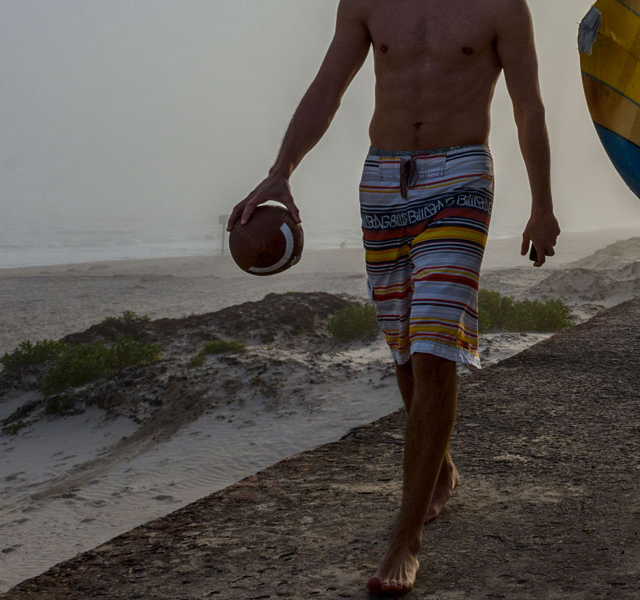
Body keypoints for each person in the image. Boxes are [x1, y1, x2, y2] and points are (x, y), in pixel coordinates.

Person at [226, 0, 561, 594]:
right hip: (383, 179)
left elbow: (527, 105)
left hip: (461, 177)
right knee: (404, 350)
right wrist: (281, 170)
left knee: (434, 351)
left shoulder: (503, 7)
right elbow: (328, 85)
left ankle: (404, 540)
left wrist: (541, 204)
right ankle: (443, 471)